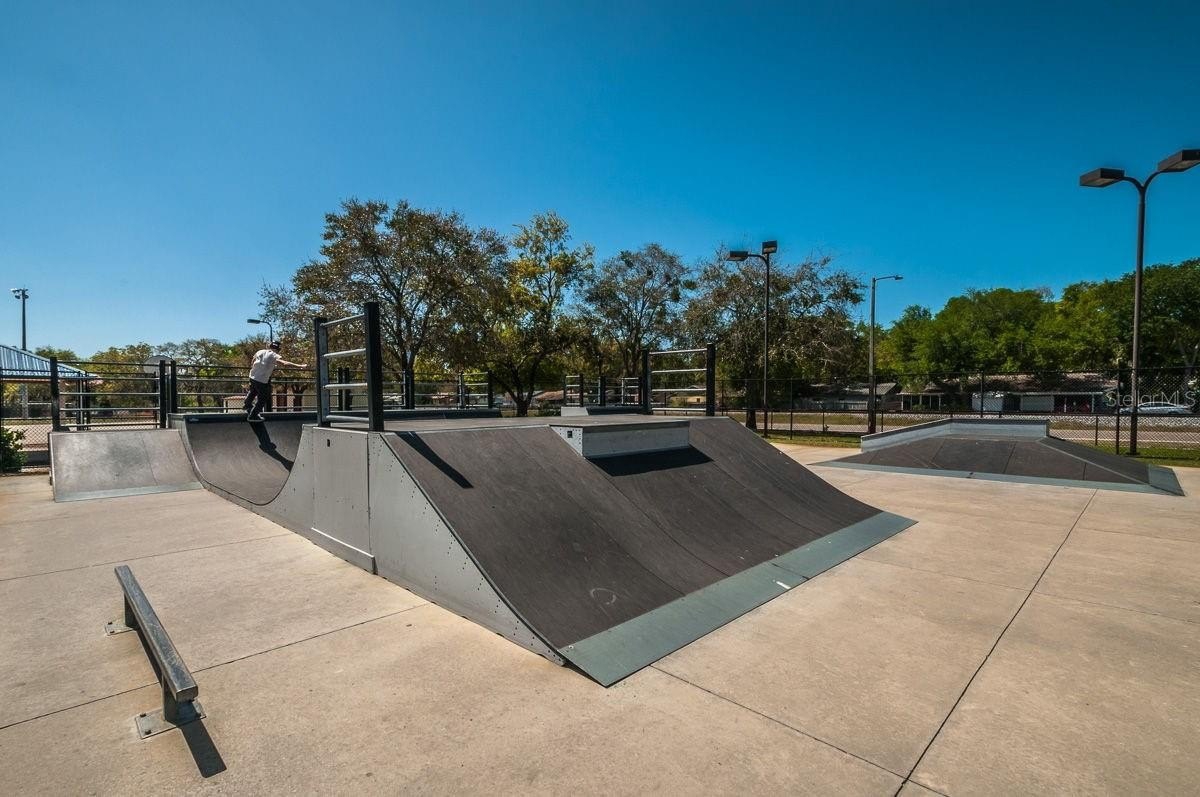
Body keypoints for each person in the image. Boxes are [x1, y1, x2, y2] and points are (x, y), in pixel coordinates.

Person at [243, 341, 307, 421]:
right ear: (278, 349)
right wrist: (300, 366)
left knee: (253, 391)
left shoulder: (260, 351)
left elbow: (253, 360)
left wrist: (256, 368)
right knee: (263, 397)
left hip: (252, 377)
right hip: (261, 380)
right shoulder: (274, 355)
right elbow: (285, 363)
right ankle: (253, 415)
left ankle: (247, 404)